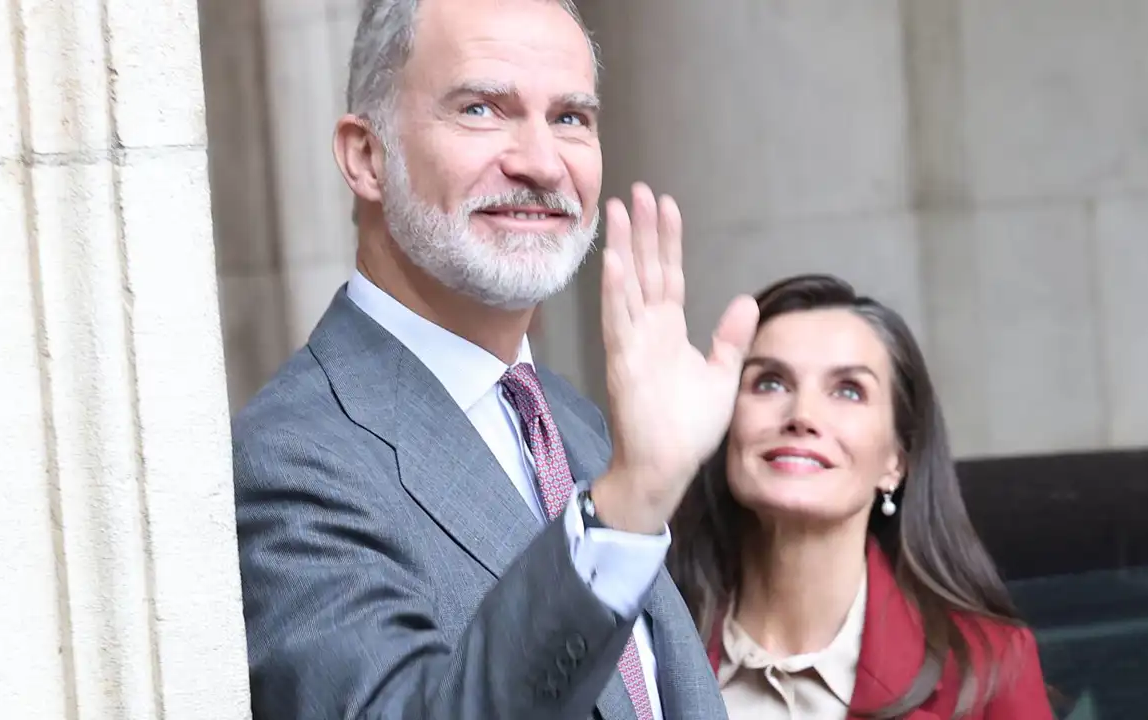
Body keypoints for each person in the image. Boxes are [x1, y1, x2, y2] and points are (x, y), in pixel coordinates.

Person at [231, 0, 758, 717]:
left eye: (570, 117)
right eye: (482, 109)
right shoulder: (289, 460)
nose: (541, 163)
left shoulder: (573, 423)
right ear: (366, 156)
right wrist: (628, 505)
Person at [666, 274, 1055, 719]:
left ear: (896, 459)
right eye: (770, 383)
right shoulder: (641, 644)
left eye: (848, 390)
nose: (802, 415)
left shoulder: (986, 667)